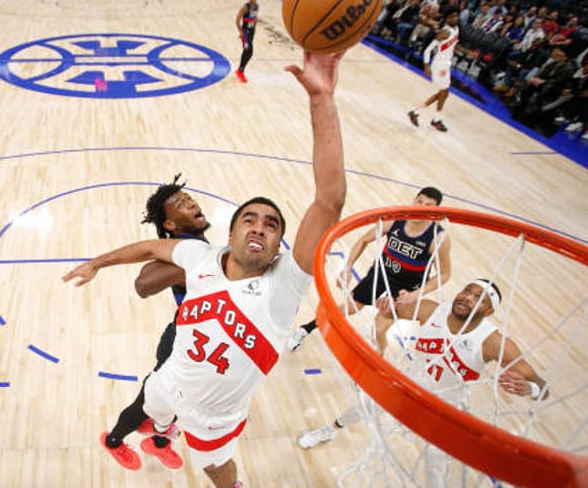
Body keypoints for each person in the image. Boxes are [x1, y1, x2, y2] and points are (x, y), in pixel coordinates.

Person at [63, 50, 347, 488]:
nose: (259, 227)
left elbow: (328, 200)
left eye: (271, 225)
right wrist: (98, 262)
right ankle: (152, 433)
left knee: (217, 468)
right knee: (153, 405)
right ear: (230, 234)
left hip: (215, 416)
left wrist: (322, 100)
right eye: (249, 219)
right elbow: (146, 249)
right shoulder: (199, 255)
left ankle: (176, 444)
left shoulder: (285, 284)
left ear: (278, 248)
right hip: (169, 380)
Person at [296, 280, 549, 486]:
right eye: (467, 290)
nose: (467, 297)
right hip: (411, 383)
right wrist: (385, 306)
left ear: (489, 311)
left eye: (479, 298)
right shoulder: (432, 310)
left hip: (445, 408)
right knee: (363, 404)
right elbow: (390, 310)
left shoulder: (493, 342)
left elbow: (542, 387)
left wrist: (531, 388)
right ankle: (330, 430)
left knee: (435, 468)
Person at [101, 174, 211, 471]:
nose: (190, 203)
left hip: (200, 338)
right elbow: (144, 283)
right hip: (180, 339)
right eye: (180, 204)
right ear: (170, 225)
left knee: (180, 397)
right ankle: (113, 441)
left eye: (189, 199)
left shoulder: (197, 241)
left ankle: (157, 443)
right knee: (147, 402)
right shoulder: (182, 249)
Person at [288, 186, 451, 351]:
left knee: (378, 330)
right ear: (414, 200)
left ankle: (378, 361)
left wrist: (416, 294)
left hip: (407, 288)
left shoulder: (438, 238)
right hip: (381, 274)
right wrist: (348, 266)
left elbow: (444, 274)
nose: (420, 207)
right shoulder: (395, 221)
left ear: (435, 211)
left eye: (428, 205)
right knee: (348, 308)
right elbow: (363, 240)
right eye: (419, 201)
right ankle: (305, 329)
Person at [407, 9, 460, 132]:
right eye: (452, 17)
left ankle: (417, 113)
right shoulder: (445, 32)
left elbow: (454, 45)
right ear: (446, 19)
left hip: (446, 64)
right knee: (443, 93)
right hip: (439, 65)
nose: (455, 19)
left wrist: (468, 52)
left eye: (456, 16)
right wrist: (427, 65)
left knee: (444, 94)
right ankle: (435, 120)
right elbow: (428, 50)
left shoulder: (456, 29)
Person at [234, 0, 259, 84]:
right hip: (245, 32)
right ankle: (240, 71)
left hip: (251, 32)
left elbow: (255, 19)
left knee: (247, 51)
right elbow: (237, 20)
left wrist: (254, 29)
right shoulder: (245, 7)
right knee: (249, 52)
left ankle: (240, 70)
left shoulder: (257, 6)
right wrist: (241, 32)